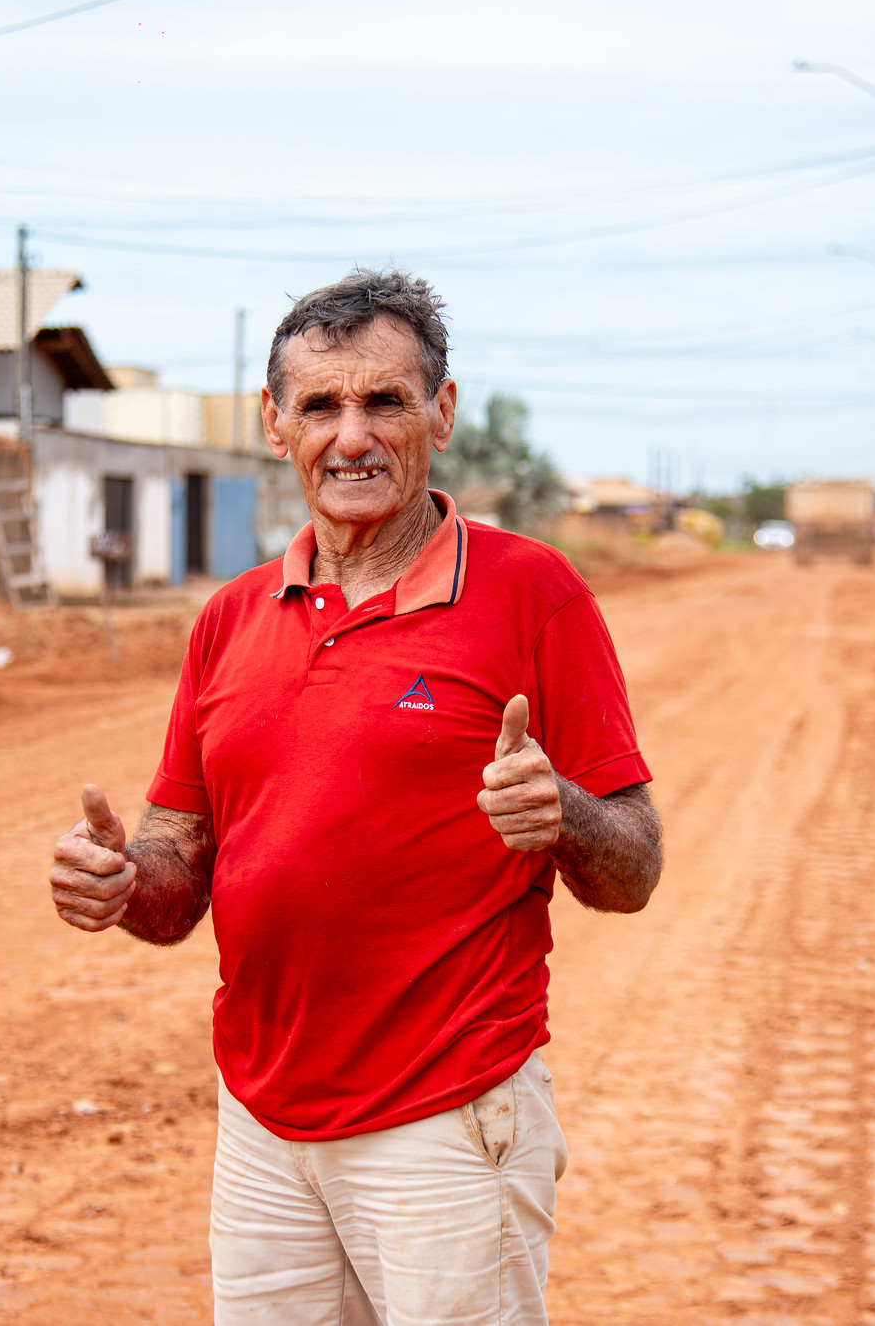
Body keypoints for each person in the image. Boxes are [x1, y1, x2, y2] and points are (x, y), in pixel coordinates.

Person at [49, 269, 663, 1326]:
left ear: (441, 410)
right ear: (273, 422)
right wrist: (117, 881)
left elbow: (636, 866)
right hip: (261, 1125)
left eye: (383, 399)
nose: (352, 435)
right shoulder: (229, 618)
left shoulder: (534, 593)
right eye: (320, 405)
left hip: (446, 1121)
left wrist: (557, 808)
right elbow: (177, 870)